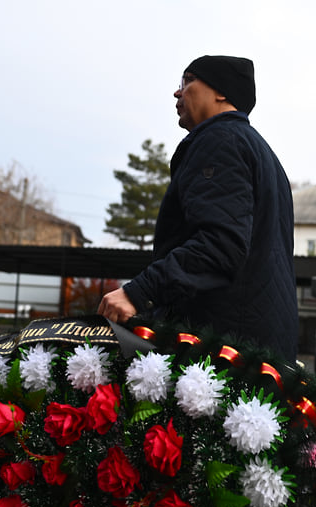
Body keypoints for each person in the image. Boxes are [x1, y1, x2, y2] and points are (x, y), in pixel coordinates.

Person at [98, 55, 298, 363]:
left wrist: (138, 293)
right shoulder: (261, 153)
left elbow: (221, 245)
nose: (178, 92)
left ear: (221, 92)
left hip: (222, 354)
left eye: (188, 81)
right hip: (259, 349)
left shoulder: (220, 141)